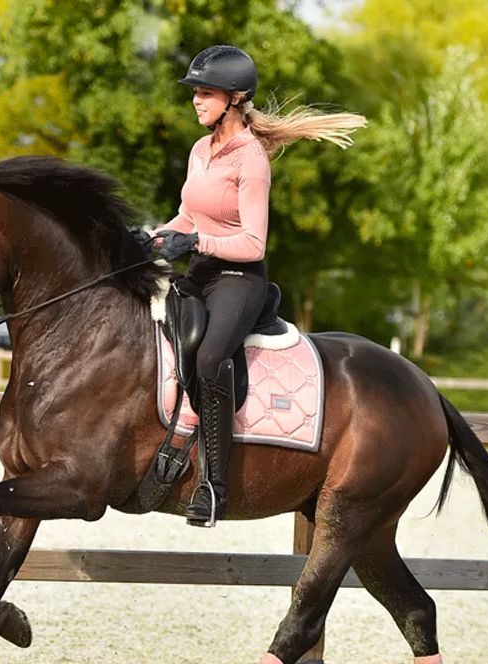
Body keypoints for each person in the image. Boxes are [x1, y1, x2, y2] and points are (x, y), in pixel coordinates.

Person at [155, 44, 366, 527]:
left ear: (234, 99)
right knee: (168, 335)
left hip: (239, 279)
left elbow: (252, 243)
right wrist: (155, 236)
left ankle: (214, 487)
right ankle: (177, 435)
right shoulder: (199, 150)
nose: (195, 100)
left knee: (210, 358)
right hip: (203, 272)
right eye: (195, 92)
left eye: (205, 93)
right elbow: (189, 215)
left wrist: (193, 240)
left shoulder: (251, 159)